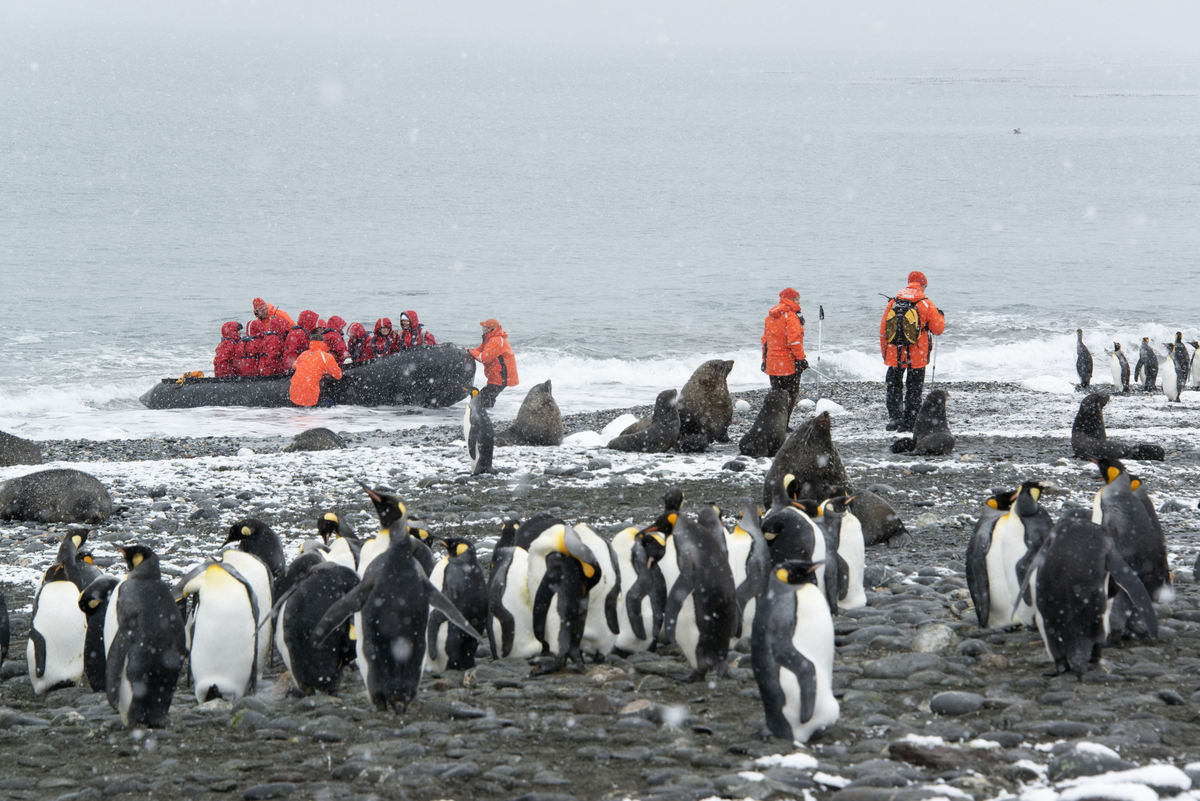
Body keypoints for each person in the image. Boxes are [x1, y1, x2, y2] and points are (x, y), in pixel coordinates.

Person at [880, 270, 945, 431]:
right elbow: (937, 329)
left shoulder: (894, 302)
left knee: (894, 386)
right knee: (914, 388)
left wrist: (886, 354)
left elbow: (883, 331)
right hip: (917, 354)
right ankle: (910, 421)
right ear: (923, 285)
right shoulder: (925, 303)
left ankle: (895, 418)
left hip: (895, 353)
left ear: (908, 282)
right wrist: (941, 316)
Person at [760, 287, 809, 424]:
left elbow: (765, 342)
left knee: (776, 395)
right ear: (793, 299)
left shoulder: (770, 317)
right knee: (791, 395)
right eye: (798, 298)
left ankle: (774, 423)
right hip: (788, 364)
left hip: (773, 364)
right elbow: (794, 341)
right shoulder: (791, 317)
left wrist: (765, 360)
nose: (800, 301)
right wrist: (801, 359)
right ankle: (783, 424)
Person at [469, 318, 518, 408]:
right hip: (496, 376)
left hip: (501, 377)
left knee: (484, 398)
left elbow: (483, 358)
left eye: (484, 327)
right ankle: (488, 416)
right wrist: (469, 352)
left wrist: (471, 352)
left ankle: (484, 418)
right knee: (487, 398)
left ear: (490, 329)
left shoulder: (496, 341)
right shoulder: (489, 339)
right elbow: (479, 350)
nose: (482, 329)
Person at [289, 330, 343, 407]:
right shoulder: (326, 356)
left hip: (295, 395)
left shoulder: (303, 354)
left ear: (310, 342)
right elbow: (338, 375)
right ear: (323, 343)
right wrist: (325, 372)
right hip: (311, 397)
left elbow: (294, 367)